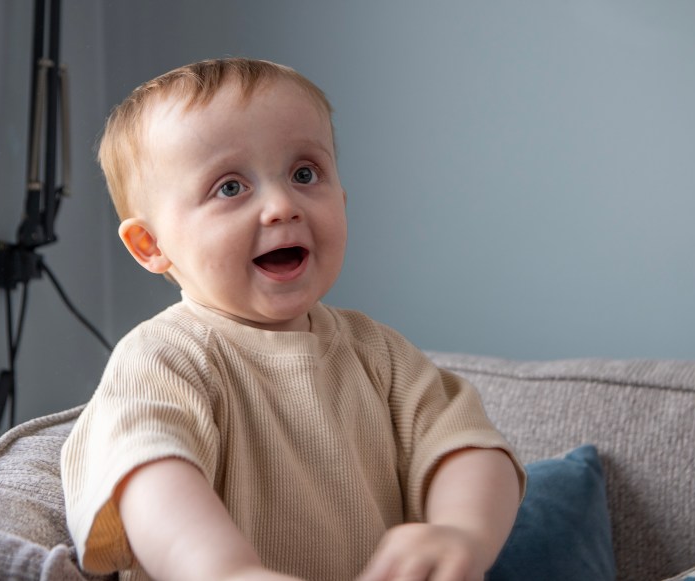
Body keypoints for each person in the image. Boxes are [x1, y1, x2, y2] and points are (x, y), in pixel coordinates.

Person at [61, 58, 525, 581]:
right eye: (230, 188)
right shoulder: (164, 357)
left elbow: (467, 447)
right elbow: (148, 476)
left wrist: (461, 530)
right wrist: (224, 571)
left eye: (305, 174)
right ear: (151, 245)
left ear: (342, 201)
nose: (282, 205)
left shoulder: (380, 353)